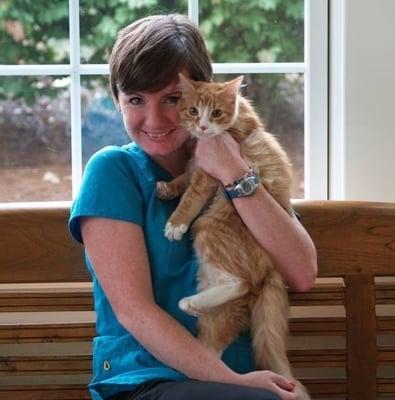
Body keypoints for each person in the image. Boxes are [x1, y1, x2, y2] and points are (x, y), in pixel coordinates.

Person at [69, 14, 317, 400]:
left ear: (201, 91)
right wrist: (232, 382)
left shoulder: (240, 157)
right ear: (117, 100)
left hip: (240, 379)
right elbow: (136, 312)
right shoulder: (113, 171)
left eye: (171, 98)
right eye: (135, 100)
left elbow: (301, 272)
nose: (154, 120)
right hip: (147, 380)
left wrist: (234, 171)